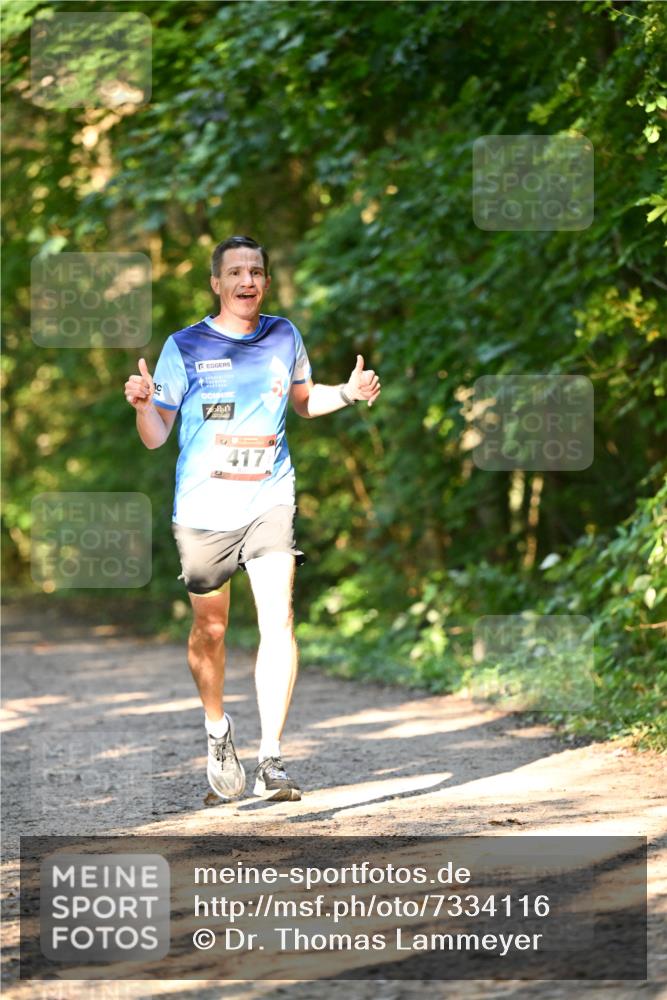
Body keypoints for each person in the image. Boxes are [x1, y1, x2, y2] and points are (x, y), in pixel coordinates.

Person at [124, 235, 381, 803]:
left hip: (269, 497)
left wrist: (347, 392)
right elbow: (155, 437)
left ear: (266, 281)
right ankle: (218, 730)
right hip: (202, 509)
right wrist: (145, 407)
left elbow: (304, 400)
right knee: (210, 631)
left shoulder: (284, 334)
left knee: (279, 620)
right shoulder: (184, 346)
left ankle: (271, 760)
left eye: (257, 271)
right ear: (216, 284)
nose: (248, 281)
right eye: (236, 272)